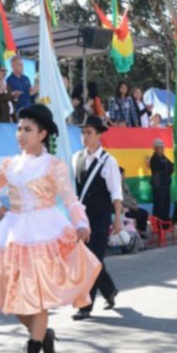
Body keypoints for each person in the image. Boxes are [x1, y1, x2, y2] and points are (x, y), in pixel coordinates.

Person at [0, 105, 101, 353]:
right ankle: (43, 335)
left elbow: (70, 199)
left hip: (45, 234)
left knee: (38, 297)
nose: (20, 134)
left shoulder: (53, 165)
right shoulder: (10, 165)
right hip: (14, 234)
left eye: (27, 129)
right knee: (14, 300)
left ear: (42, 134)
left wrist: (82, 224)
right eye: (19, 128)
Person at [71, 115, 122, 320]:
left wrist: (117, 218)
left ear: (99, 135)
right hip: (82, 218)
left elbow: (116, 193)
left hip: (100, 218)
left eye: (89, 133)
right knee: (91, 260)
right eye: (83, 132)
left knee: (90, 261)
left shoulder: (109, 161)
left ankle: (85, 306)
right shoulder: (77, 158)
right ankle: (109, 291)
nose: (85, 136)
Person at [147, 138, 174, 221]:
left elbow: (171, 167)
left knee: (166, 206)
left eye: (162, 147)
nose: (162, 149)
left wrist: (167, 168)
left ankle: (164, 225)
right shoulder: (154, 159)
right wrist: (167, 168)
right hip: (158, 186)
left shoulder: (164, 158)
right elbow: (165, 169)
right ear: (155, 148)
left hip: (166, 185)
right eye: (160, 147)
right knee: (159, 207)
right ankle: (157, 225)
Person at [119, 168, 150, 234]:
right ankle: (134, 232)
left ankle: (141, 231)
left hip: (132, 207)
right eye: (123, 175)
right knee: (136, 215)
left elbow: (131, 196)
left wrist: (135, 204)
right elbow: (122, 201)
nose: (125, 176)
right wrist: (132, 206)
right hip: (124, 209)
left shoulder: (125, 185)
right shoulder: (116, 187)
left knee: (144, 213)